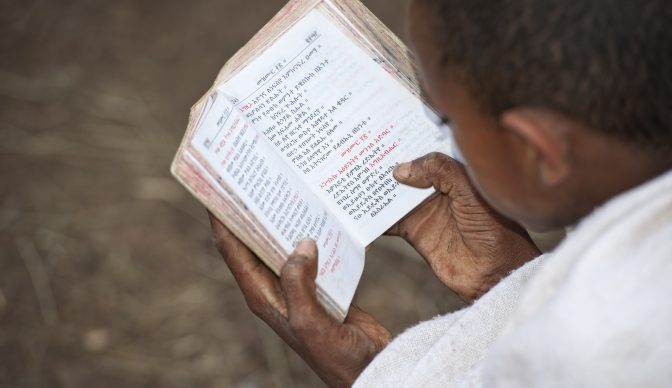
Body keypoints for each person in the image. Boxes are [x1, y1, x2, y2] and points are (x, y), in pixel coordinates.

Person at [209, 0, 672, 386]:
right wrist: (513, 281)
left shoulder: (599, 351)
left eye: (447, 119)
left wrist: (374, 375)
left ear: (538, 151)